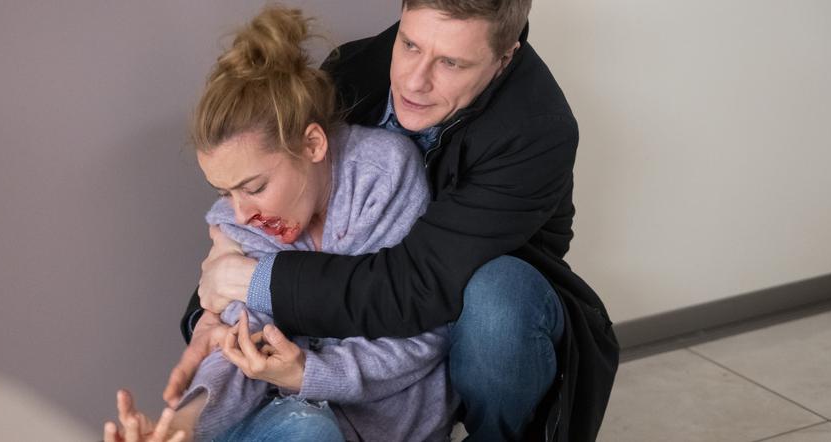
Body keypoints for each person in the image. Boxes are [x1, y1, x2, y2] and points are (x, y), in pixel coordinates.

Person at [173, 1, 620, 441]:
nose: (414, 80)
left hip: (470, 305)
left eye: (451, 63)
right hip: (355, 341)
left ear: (504, 58)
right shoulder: (353, 69)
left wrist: (251, 280)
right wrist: (211, 309)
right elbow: (266, 180)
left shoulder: (537, 130)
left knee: (495, 302)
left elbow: (419, 287)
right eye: (409, 44)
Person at [106, 6, 456, 442]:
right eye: (224, 192)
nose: (240, 214)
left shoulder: (384, 177)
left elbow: (419, 332)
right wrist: (180, 426)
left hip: (393, 428)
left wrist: (310, 372)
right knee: (308, 429)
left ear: (312, 144)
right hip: (285, 420)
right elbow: (237, 343)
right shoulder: (237, 224)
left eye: (254, 187)